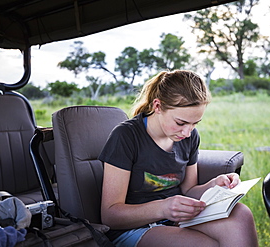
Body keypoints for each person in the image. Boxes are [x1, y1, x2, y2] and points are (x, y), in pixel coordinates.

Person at [99, 70, 258, 247]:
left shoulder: (189, 137)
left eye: (195, 123)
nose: (187, 132)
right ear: (157, 106)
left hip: (176, 218)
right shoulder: (126, 136)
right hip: (135, 228)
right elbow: (110, 215)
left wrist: (214, 184)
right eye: (181, 123)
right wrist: (163, 208)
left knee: (241, 215)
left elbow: (189, 189)